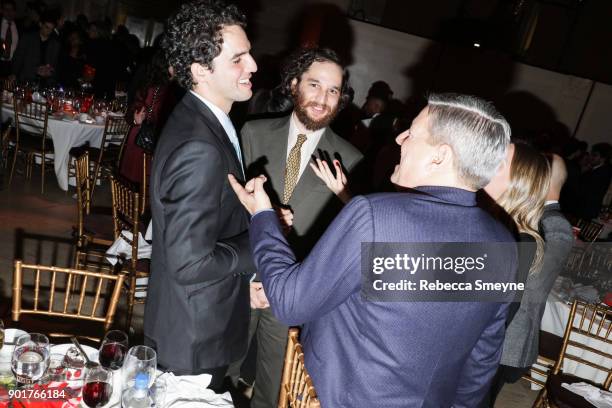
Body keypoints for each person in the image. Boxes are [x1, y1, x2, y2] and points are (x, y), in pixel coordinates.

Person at [229, 93, 518, 407]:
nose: (400, 138)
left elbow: (289, 303)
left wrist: (262, 215)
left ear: (440, 157)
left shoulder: (375, 215)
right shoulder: (503, 244)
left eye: (413, 133)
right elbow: (482, 360)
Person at [234, 47, 363, 407]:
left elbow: (344, 239)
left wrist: (347, 197)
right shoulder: (252, 133)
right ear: (293, 85)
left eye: (333, 90)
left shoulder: (349, 160)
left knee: (275, 385)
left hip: (296, 291)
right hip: (239, 278)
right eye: (314, 85)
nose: (323, 99)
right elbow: (225, 206)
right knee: (220, 370)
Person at [143, 0, 257, 390]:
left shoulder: (203, 122)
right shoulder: (200, 145)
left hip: (193, 325)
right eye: (238, 59)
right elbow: (189, 264)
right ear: (200, 71)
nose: (253, 66)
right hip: (193, 339)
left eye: (249, 54)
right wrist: (260, 236)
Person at [487, 153, 574, 405]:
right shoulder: (536, 219)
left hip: (508, 336)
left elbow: (531, 283)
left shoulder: (551, 223)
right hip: (503, 332)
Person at [479, 142, 551, 407]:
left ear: (518, 181)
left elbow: (502, 312)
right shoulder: (494, 223)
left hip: (480, 357)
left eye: (499, 164)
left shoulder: (521, 240)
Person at [119, 50, 176, 184]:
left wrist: (134, 118)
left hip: (140, 135)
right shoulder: (162, 90)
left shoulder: (151, 85)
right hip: (148, 139)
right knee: (141, 180)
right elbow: (138, 111)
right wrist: (135, 118)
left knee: (134, 181)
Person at [11, 12, 60, 86]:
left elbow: (56, 65)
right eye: (47, 27)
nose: (49, 31)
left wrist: (50, 71)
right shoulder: (27, 38)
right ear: (40, 24)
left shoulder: (55, 44)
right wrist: (14, 73)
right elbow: (18, 58)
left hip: (46, 83)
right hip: (27, 80)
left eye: (51, 29)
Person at [0, 0, 18, 77]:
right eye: (6, 9)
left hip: (13, 65)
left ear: (14, 12)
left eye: (11, 10)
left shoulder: (21, 26)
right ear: (2, 10)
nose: (9, 12)